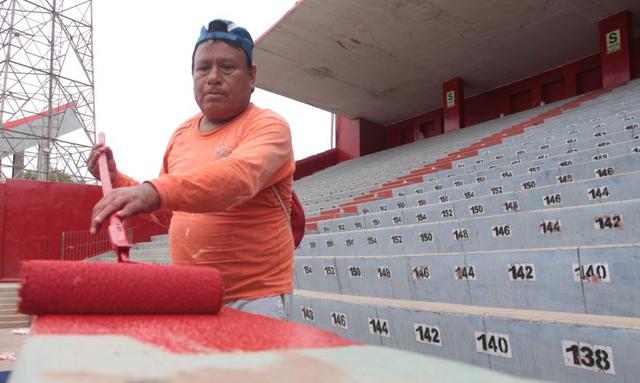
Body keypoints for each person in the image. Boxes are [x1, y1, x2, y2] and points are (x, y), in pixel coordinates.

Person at [87, 19, 295, 320]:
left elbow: (237, 178)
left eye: (227, 67)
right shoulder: (181, 134)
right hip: (193, 293)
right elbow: (169, 210)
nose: (213, 78)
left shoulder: (268, 126)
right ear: (193, 75)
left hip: (254, 296)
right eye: (203, 68)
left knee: (250, 369)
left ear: (251, 77)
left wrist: (154, 191)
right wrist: (116, 179)